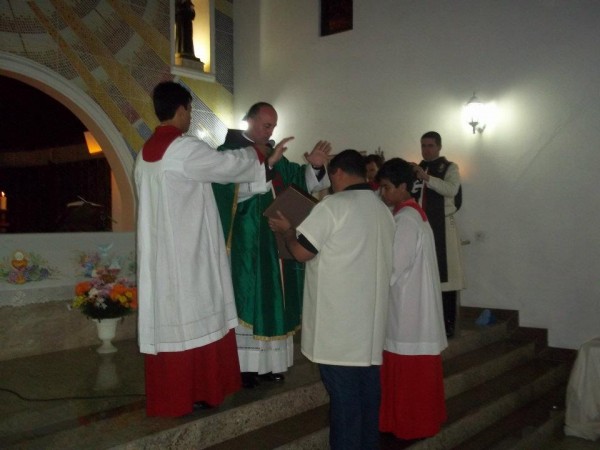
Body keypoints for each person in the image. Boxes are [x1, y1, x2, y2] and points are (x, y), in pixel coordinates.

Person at [134, 81, 287, 417]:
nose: (190, 117)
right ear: (181, 110)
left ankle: (175, 395)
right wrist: (258, 153)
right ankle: (201, 390)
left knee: (172, 323)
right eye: (189, 110)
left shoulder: (144, 156)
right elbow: (226, 166)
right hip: (189, 256)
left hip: (160, 259)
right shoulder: (184, 149)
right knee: (200, 318)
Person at [268, 149, 395, 450]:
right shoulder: (383, 211)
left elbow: (302, 252)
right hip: (370, 326)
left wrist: (288, 232)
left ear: (337, 173)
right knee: (368, 400)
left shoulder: (333, 206)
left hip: (339, 328)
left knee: (345, 405)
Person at [212, 102, 331, 388]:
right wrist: (266, 168)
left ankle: (270, 365)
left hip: (276, 241)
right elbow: (227, 192)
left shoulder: (273, 154)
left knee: (275, 299)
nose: (270, 131)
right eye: (266, 125)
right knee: (249, 297)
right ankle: (245, 367)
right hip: (245, 243)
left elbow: (300, 182)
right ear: (249, 121)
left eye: (273, 126)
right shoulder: (228, 153)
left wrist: (315, 167)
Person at [376, 158, 448, 439]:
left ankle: (408, 424)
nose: (383, 193)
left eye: (386, 187)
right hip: (414, 306)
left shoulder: (405, 219)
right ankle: (411, 422)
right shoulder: (412, 214)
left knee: (407, 370)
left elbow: (394, 266)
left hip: (408, 309)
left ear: (403, 186)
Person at [412, 131, 465, 337]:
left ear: (439, 147)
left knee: (446, 276)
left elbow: (451, 190)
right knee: (422, 275)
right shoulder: (416, 169)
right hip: (421, 226)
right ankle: (427, 322)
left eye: (430, 146)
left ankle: (448, 324)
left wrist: (426, 177)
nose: (426, 150)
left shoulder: (450, 167)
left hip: (443, 227)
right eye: (423, 145)